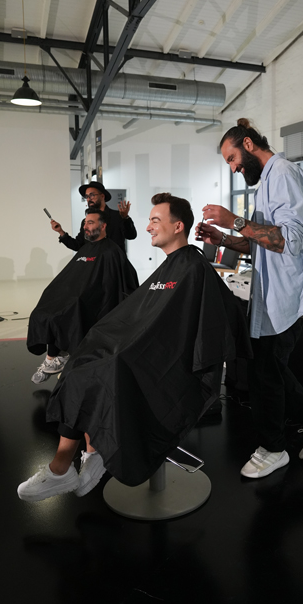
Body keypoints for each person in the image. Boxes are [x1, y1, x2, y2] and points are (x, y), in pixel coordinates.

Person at [18, 194, 250, 502]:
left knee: (101, 369)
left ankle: (72, 464)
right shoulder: (171, 267)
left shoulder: (193, 268)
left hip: (163, 363)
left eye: (155, 220)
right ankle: (78, 461)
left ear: (178, 226)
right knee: (82, 360)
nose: (148, 227)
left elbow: (210, 324)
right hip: (142, 351)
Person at [197, 119, 303, 479]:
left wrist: (235, 221)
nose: (233, 168)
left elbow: (289, 240)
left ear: (248, 145)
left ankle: (274, 447)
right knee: (268, 367)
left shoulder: (282, 173)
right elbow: (260, 242)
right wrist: (222, 239)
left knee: (265, 369)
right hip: (277, 295)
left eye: (232, 158)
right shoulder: (267, 181)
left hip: (293, 296)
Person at [28, 209, 139, 383]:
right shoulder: (86, 248)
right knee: (45, 309)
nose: (85, 226)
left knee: (68, 309)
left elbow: (111, 285)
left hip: (94, 300)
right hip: (75, 295)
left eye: (90, 223)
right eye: (85, 223)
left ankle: (57, 358)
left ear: (103, 226)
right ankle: (54, 358)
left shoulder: (111, 251)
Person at [51, 181, 137, 253]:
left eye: (92, 195)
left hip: (114, 264)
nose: (89, 199)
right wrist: (60, 231)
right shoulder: (85, 222)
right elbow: (77, 245)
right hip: (94, 264)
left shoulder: (118, 216)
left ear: (102, 196)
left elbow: (131, 235)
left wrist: (125, 218)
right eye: (87, 196)